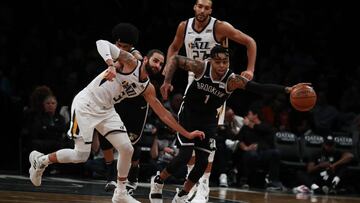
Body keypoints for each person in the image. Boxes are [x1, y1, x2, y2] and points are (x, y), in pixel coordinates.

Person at [28, 41, 205, 203]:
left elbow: (164, 115)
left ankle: (120, 192)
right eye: (155, 61)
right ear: (146, 59)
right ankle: (42, 161)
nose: (158, 65)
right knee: (80, 155)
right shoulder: (130, 62)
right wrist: (111, 64)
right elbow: (101, 43)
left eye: (161, 63)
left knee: (127, 148)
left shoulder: (148, 88)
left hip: (106, 110)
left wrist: (187, 133)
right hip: (86, 105)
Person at [149, 45, 308, 203]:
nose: (222, 65)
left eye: (225, 62)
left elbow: (259, 88)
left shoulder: (232, 80)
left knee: (203, 162)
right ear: (211, 61)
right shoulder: (200, 68)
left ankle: (182, 195)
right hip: (189, 114)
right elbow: (176, 59)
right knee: (184, 155)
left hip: (209, 119)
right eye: (218, 62)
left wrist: (288, 89)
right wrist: (166, 81)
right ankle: (158, 181)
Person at [163, 0, 257, 200]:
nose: (203, 10)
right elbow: (173, 47)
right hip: (193, 81)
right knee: (189, 136)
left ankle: (203, 185)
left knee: (208, 138)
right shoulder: (183, 26)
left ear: (211, 10)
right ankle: (191, 183)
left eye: (207, 7)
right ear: (194, 7)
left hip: (215, 83)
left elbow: (250, 42)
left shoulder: (220, 27)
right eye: (200, 6)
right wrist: (167, 75)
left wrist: (250, 69)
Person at [95, 22, 157, 193]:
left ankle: (133, 177)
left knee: (131, 144)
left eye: (125, 46)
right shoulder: (111, 50)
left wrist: (115, 65)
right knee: (105, 135)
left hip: (137, 103)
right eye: (118, 45)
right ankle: (109, 176)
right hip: (119, 100)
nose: (121, 48)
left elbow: (132, 60)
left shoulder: (134, 55)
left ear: (131, 46)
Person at [237, 103, 284, 191]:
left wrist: (250, 124)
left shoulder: (265, 126)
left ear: (255, 115)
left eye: (249, 114)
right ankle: (245, 180)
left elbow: (265, 131)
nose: (247, 116)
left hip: (264, 152)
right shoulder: (245, 128)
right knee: (251, 154)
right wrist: (246, 148)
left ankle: (273, 182)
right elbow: (240, 140)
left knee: (276, 152)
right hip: (249, 152)